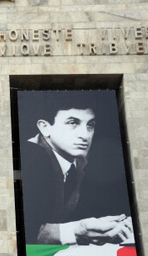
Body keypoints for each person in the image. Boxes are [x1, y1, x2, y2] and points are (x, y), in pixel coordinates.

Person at [20, 93, 133, 245]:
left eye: (90, 125)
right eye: (73, 123)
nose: (85, 135)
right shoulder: (29, 158)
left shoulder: (77, 164)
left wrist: (109, 226)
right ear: (45, 127)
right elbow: (23, 228)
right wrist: (77, 230)